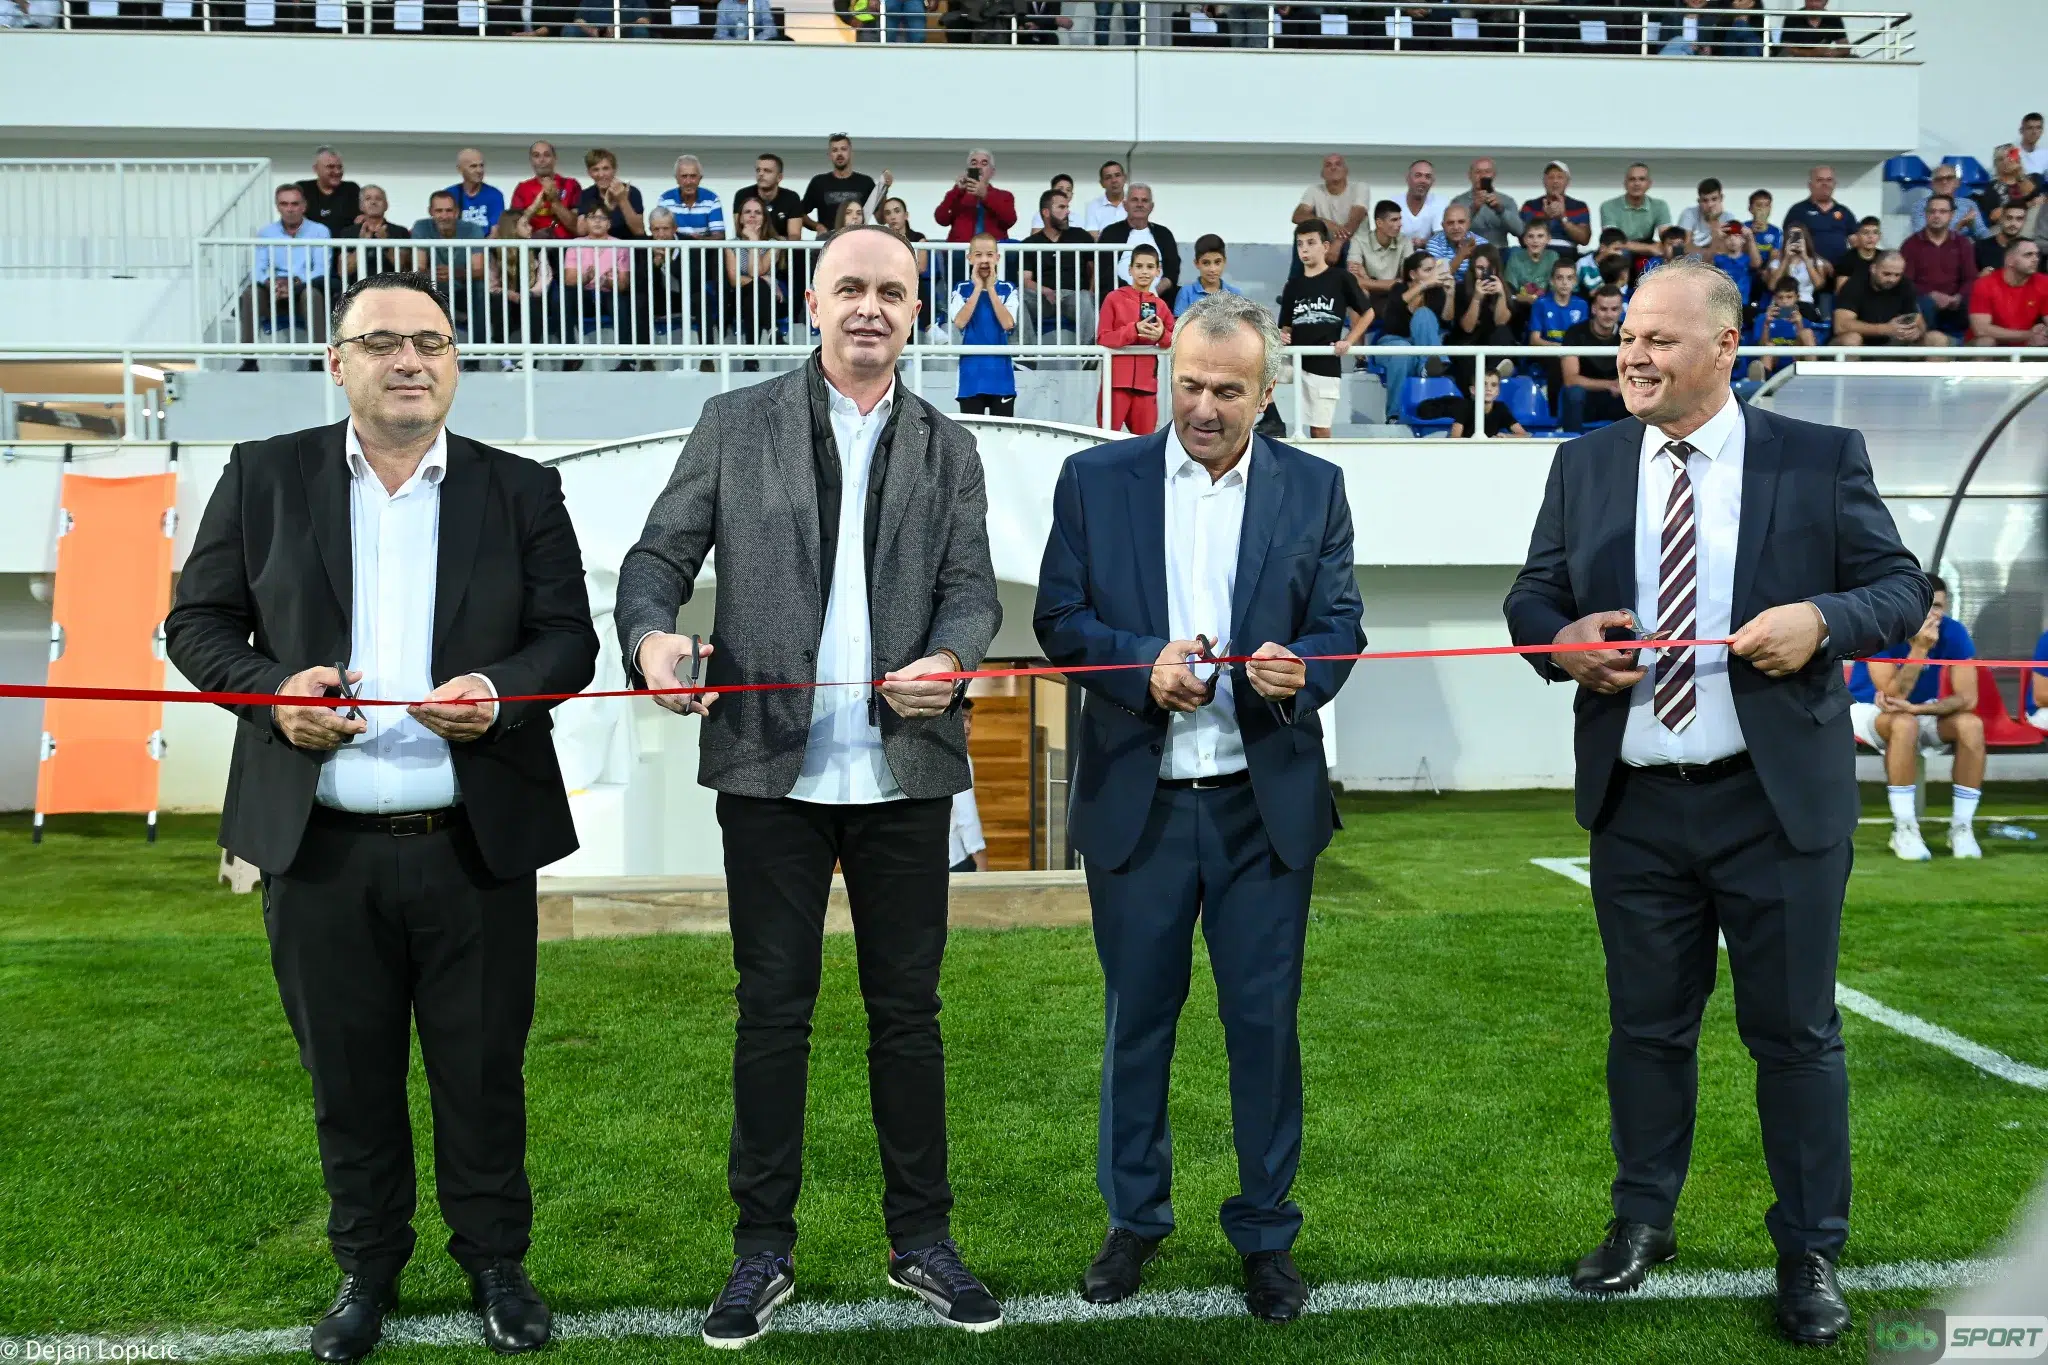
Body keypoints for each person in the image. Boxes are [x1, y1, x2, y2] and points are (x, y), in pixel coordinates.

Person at [166, 272, 599, 1364]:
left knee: (482, 1071)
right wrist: (274, 697)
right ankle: (365, 1272)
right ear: (337, 361)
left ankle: (497, 1263)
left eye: (432, 343)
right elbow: (198, 621)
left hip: (473, 848)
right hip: (319, 850)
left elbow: (566, 642)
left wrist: (500, 696)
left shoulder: (520, 489)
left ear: (454, 362)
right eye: (383, 343)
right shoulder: (264, 478)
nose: (410, 361)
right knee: (347, 1075)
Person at [1504, 256, 1929, 1350]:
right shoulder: (1586, 460)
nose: (1630, 357)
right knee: (1646, 1032)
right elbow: (1532, 594)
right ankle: (1641, 1223)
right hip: (1636, 804)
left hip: (1773, 807)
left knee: (1792, 1036)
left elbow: (1897, 588)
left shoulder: (1816, 457)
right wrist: (1560, 645)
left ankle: (1807, 1251)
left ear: (1724, 348)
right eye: (1626, 337)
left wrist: (1821, 622)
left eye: (1655, 339)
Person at [615, 224, 1004, 1349]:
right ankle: (758, 1254)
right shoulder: (734, 425)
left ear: (916, 312)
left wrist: (953, 657)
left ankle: (920, 1240)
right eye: (850, 288)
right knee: (771, 1016)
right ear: (813, 302)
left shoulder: (949, 447)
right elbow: (654, 564)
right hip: (767, 769)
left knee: (908, 1019)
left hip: (905, 771)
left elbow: (970, 590)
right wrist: (648, 641)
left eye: (891, 290)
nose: (870, 307)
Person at [1033, 290, 1365, 1326]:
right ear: (1163, 376)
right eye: (1188, 384)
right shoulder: (1094, 480)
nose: (1204, 406)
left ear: (1266, 394)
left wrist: (1295, 669)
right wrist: (1141, 667)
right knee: (1139, 1024)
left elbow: (1341, 627)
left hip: (1260, 814)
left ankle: (1265, 1233)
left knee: (1262, 1027)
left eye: (1228, 390)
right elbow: (1058, 618)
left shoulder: (1316, 488)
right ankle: (1133, 1222)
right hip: (1139, 807)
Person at [1848, 577, 1984, 861]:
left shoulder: (1953, 631)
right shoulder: (1881, 629)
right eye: (1928, 606)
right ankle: (1905, 828)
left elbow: (1968, 698)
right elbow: (1895, 694)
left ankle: (1961, 827)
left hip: (1918, 710)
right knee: (1903, 723)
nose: (1934, 614)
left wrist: (1919, 710)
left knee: (1972, 724)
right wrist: (1920, 649)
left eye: (1939, 607)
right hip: (1866, 709)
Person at [1276, 218, 1370, 439]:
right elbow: (1286, 326)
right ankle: (1272, 418)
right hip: (1295, 362)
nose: (1304, 249)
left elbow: (1368, 312)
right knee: (1258, 371)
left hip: (1324, 365)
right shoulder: (1293, 285)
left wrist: (1349, 340)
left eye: (1310, 243)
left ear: (1325, 246)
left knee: (1318, 428)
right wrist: (1282, 335)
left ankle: (1326, 469)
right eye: (1300, 244)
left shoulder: (1340, 278)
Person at [239, 184, 333, 369]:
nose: (290, 209)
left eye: (294, 204)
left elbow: (321, 269)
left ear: (304, 206)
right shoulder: (266, 233)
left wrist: (296, 283)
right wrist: (270, 282)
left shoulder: (320, 231)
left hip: (303, 287)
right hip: (273, 288)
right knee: (250, 294)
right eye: (284, 204)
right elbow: (258, 268)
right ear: (278, 206)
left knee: (312, 295)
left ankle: (316, 361)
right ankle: (249, 360)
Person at [1099, 244, 1175, 435]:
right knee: (1106, 441)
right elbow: (1103, 338)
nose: (1144, 271)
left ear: (1158, 271)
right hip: (1115, 383)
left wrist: (1161, 336)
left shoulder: (1161, 305)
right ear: (1130, 269)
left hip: (1146, 386)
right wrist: (1133, 330)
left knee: (1146, 447)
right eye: (1139, 266)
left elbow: (1175, 340)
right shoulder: (1114, 298)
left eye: (1150, 267)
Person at [952, 231, 1018, 416]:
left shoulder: (1008, 289)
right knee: (971, 440)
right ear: (969, 258)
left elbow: (1007, 323)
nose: (984, 260)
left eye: (989, 254)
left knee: (1004, 438)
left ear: (997, 258)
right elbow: (959, 321)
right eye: (978, 255)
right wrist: (978, 288)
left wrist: (990, 288)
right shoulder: (961, 289)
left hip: (1001, 376)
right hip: (970, 377)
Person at [1376, 251, 1454, 407]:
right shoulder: (1398, 289)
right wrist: (1424, 285)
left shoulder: (1436, 293)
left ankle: (1435, 364)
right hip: (1393, 344)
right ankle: (1394, 416)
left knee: (1424, 314)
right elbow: (1398, 304)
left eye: (1434, 269)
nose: (1433, 275)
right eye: (1428, 270)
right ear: (1412, 274)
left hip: (1422, 352)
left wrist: (1451, 294)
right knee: (1402, 351)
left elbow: (1447, 320)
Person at [412, 190, 490, 348]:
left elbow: (479, 270)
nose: (444, 216)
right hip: (433, 288)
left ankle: (476, 358)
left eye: (449, 210)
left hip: (463, 288)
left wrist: (454, 273)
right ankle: (421, 352)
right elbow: (418, 268)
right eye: (439, 211)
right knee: (413, 288)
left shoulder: (472, 229)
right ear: (430, 212)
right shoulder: (422, 227)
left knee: (480, 290)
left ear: (457, 212)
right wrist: (434, 274)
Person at [1020, 189, 1096, 342]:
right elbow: (1025, 280)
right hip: (1043, 298)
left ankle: (1089, 355)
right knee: (1017, 297)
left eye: (1067, 207)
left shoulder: (1081, 236)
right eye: (1061, 207)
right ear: (1046, 212)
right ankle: (1027, 357)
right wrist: (1043, 290)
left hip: (1074, 296)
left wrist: (1091, 291)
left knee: (1086, 299)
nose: (1067, 212)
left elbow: (1094, 269)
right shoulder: (1030, 243)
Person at [1833, 250, 1947, 351]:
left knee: (1937, 339)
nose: (1892, 279)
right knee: (1851, 339)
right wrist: (1885, 329)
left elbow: (1918, 321)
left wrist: (1916, 333)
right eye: (1886, 274)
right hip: (1862, 345)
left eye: (1897, 275)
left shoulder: (1905, 284)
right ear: (1873, 269)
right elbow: (1841, 325)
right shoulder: (1854, 285)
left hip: (1893, 344)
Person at [1900, 195, 1978, 337]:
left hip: (1956, 301)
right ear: (1925, 214)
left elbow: (1970, 278)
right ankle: (1926, 341)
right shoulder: (1910, 244)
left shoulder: (1963, 243)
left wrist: (1958, 297)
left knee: (1973, 299)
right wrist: (1931, 294)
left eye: (1943, 212)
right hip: (1925, 301)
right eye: (1932, 211)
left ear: (1952, 215)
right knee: (1922, 303)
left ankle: (1966, 347)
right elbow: (1906, 282)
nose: (1937, 216)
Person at [1558, 285, 1626, 432]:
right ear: (1593, 309)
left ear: (1621, 310)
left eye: (1614, 309)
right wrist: (1609, 384)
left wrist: (1623, 386)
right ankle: (1572, 446)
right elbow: (1570, 379)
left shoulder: (1629, 334)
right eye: (1603, 309)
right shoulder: (1575, 333)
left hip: (1617, 399)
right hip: (1586, 400)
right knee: (1574, 392)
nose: (1609, 315)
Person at [1098, 184, 1181, 298]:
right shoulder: (1110, 233)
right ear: (1125, 205)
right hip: (1120, 299)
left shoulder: (1164, 234)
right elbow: (1104, 271)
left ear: (1151, 207)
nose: (1140, 204)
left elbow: (1173, 270)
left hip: (1158, 298)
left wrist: (1154, 292)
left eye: (1144, 200)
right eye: (1134, 200)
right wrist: (1132, 294)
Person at [1529, 257, 1589, 403]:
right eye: (1559, 278)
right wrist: (1561, 349)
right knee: (1557, 366)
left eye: (1569, 278)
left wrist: (1567, 351)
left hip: (1574, 354)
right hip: (1548, 354)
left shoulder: (1582, 305)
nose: (1564, 282)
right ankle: (1555, 417)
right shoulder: (1541, 304)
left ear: (1575, 281)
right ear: (1552, 281)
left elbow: (1583, 338)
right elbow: (1534, 340)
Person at [1968, 239, 2048, 347]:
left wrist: (2043, 333)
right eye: (2028, 255)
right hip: (1990, 343)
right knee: (1986, 341)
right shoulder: (1984, 284)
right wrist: (2028, 335)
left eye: (2037, 255)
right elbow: (1981, 329)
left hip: (2025, 343)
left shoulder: (2043, 282)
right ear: (2010, 260)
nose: (2035, 259)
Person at [1293, 153, 1368, 266]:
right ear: (1322, 174)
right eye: (1328, 165)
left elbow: (1354, 221)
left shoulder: (1360, 188)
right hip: (1326, 242)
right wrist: (1325, 222)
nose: (1333, 167)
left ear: (1346, 171)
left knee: (1348, 246)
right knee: (1302, 230)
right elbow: (1298, 216)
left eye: (1338, 164)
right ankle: (1295, 281)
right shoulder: (1314, 190)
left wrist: (1337, 243)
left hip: (1353, 242)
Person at [331, 185, 412, 289]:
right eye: (368, 198)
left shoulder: (400, 231)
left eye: (378, 198)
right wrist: (362, 243)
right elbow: (343, 271)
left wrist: (386, 243)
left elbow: (403, 267)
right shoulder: (348, 232)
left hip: (392, 289)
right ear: (361, 206)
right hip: (357, 289)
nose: (373, 202)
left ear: (386, 205)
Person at [800, 134, 878, 238]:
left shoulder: (866, 182)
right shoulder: (818, 182)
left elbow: (880, 218)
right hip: (827, 241)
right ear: (829, 154)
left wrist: (884, 188)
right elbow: (799, 213)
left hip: (857, 240)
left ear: (851, 152)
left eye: (843, 149)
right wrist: (817, 226)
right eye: (835, 150)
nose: (839, 153)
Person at [934, 148, 1018, 244]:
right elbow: (941, 219)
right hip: (960, 252)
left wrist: (985, 195)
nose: (978, 167)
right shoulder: (957, 194)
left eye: (984, 164)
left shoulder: (1004, 196)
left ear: (992, 172)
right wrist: (957, 190)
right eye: (974, 163)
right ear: (968, 171)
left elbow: (1009, 220)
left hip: (993, 253)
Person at [508, 141, 583, 242]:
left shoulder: (571, 184)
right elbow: (514, 229)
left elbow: (576, 228)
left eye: (547, 155)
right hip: (533, 248)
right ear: (531, 160)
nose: (542, 160)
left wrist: (555, 202)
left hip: (566, 247)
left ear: (555, 158)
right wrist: (534, 207)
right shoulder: (522, 188)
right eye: (536, 156)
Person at [1782, 166, 1855, 265]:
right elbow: (1794, 246)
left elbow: (1855, 243)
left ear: (1834, 184)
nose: (1825, 184)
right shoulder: (1798, 211)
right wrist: (1820, 262)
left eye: (1829, 180)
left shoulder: (1844, 211)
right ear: (1810, 185)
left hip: (1840, 270)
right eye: (1819, 180)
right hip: (1809, 270)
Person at [1449, 155, 1525, 249]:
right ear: (1470, 175)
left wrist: (1500, 210)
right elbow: (1451, 234)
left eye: (1487, 172)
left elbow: (1519, 231)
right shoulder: (1458, 202)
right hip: (1469, 253)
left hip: (1499, 254)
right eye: (1478, 172)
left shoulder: (1507, 201)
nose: (1482, 176)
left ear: (1494, 174)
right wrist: (1473, 209)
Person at [1746, 277, 1817, 378]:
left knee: (1807, 333)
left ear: (1797, 297)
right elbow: (1761, 345)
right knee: (1769, 346)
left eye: (1789, 297)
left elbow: (1804, 344)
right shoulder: (1763, 319)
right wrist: (1766, 325)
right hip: (1774, 359)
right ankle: (1762, 382)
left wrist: (1799, 325)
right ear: (1775, 298)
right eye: (1780, 297)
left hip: (1795, 357)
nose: (1784, 301)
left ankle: (1813, 376)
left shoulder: (1803, 320)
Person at [1600, 162, 1672, 259]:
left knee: (1667, 255)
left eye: (1642, 179)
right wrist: (1649, 248)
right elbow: (1612, 241)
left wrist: (1661, 247)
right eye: (1632, 179)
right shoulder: (1608, 206)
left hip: (1645, 246)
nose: (1637, 183)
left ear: (1649, 184)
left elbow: (1667, 238)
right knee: (1617, 253)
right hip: (1621, 249)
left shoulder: (1660, 205)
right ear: (1625, 184)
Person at [948, 699, 988, 872]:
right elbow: (966, 817)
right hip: (955, 860)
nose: (969, 726)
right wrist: (982, 861)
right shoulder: (958, 758)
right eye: (963, 719)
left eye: (970, 719)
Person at [1903, 163, 1989, 240]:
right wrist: (1959, 225)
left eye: (1949, 178)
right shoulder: (1921, 206)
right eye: (1939, 179)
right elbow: (1923, 238)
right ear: (1931, 184)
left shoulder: (1968, 204)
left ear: (1957, 183)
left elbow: (1981, 232)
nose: (1944, 182)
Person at [733, 153, 806, 242]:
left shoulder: (791, 197)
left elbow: (795, 235)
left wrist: (774, 244)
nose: (761, 174)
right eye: (758, 170)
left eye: (767, 171)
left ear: (779, 177)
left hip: (782, 249)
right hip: (749, 245)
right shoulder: (742, 195)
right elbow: (740, 230)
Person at [575, 148, 645, 240]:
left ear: (614, 169)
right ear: (589, 173)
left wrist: (622, 200)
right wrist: (606, 207)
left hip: (627, 247)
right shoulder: (587, 194)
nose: (601, 174)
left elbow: (639, 231)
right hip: (598, 248)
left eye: (606, 168)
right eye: (595, 170)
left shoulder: (632, 192)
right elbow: (581, 231)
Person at [1346, 199, 1406, 305]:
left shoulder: (1405, 241)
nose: (1400, 224)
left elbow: (1408, 280)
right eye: (1394, 220)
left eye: (1400, 219)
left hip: (1395, 293)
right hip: (1370, 292)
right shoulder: (1359, 240)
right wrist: (1394, 283)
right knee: (1357, 291)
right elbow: (1354, 279)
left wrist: (1366, 279)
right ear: (1379, 223)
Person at [1520, 160, 1591, 248]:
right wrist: (1545, 218)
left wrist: (1563, 218)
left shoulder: (1580, 207)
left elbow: (1584, 240)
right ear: (1544, 181)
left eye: (1560, 177)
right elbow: (1522, 238)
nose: (1555, 181)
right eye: (1550, 177)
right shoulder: (1530, 206)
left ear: (1567, 182)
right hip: (1537, 253)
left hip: (1567, 256)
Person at [296, 145, 362, 236]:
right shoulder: (303, 189)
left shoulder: (352, 189)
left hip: (344, 248)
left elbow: (361, 219)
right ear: (316, 169)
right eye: (331, 167)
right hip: (312, 247)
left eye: (339, 167)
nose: (337, 171)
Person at [1174, 233, 1243, 315]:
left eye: (1217, 262)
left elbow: (1240, 324)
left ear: (1224, 261)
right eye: (1206, 263)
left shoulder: (1234, 294)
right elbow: (1179, 325)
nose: (1212, 269)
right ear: (1196, 263)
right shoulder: (1186, 293)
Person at [1768, 223, 1832, 306]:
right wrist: (1786, 258)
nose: (1795, 239)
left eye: (1798, 236)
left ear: (1805, 239)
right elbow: (1772, 286)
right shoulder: (1777, 262)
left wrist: (1805, 257)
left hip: (1805, 303)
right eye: (1791, 236)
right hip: (1782, 304)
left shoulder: (1816, 261)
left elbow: (1818, 285)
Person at [1423, 201, 1487, 280]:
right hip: (1444, 288)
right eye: (1450, 223)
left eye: (1461, 222)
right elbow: (1437, 278)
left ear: (1469, 224)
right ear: (1443, 226)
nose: (1456, 227)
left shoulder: (1482, 244)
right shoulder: (1435, 243)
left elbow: (1487, 274)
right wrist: (1461, 255)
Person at [447, 148, 505, 233]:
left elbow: (495, 231)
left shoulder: (494, 195)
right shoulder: (450, 194)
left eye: (481, 165)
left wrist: (482, 246)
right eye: (473, 166)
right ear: (460, 169)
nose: (479, 170)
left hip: (487, 244)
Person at [1675, 178, 1737, 249]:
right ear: (1698, 201)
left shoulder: (1729, 218)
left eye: (1714, 199)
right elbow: (1683, 247)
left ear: (1721, 198)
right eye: (1705, 200)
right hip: (1693, 259)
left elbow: (1728, 250)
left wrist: (1714, 222)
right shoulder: (1689, 213)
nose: (1710, 204)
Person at [1398, 158, 1447, 244]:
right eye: (1418, 175)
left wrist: (1424, 243)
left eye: (1427, 177)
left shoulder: (1440, 203)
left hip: (1429, 253)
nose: (1423, 181)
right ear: (1407, 178)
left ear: (1432, 182)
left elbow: (1441, 239)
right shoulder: (1394, 203)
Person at [1831, 216, 1883, 293]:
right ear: (1857, 236)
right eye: (1865, 233)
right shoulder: (1847, 259)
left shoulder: (1883, 258)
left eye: (1875, 233)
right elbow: (1840, 290)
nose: (1870, 237)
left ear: (1879, 236)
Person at [1777, 0, 1846, 56]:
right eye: (1810, 0)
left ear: (1826, 2)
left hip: (1823, 62)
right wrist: (1811, 53)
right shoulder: (1792, 17)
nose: (1813, 4)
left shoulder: (1834, 19)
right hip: (1797, 61)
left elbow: (1845, 49)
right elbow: (1785, 47)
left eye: (1818, 1)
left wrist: (1829, 53)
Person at [1979, 201, 2031, 274]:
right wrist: (1980, 278)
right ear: (2001, 219)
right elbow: (1968, 280)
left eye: (2019, 219)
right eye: (2009, 218)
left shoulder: (2032, 250)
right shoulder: (1980, 247)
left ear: (2024, 222)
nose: (2013, 223)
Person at [1083, 160, 1129, 233]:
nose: (1114, 180)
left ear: (1125, 178)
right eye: (1108, 177)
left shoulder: (1135, 202)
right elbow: (1092, 235)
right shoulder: (1093, 206)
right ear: (1102, 183)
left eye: (1117, 175)